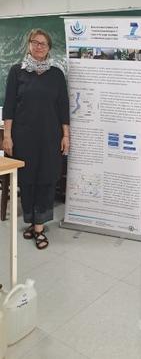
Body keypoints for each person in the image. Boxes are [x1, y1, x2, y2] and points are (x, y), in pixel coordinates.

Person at [3, 28, 70, 250]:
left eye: (44, 43)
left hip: (51, 137)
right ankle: (32, 222)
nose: (39, 46)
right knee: (27, 180)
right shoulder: (16, 72)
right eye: (35, 42)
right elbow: (10, 107)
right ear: (29, 45)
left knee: (46, 179)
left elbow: (63, 107)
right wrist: (7, 136)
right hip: (23, 137)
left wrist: (66, 135)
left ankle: (39, 226)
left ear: (49, 48)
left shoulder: (57, 74)